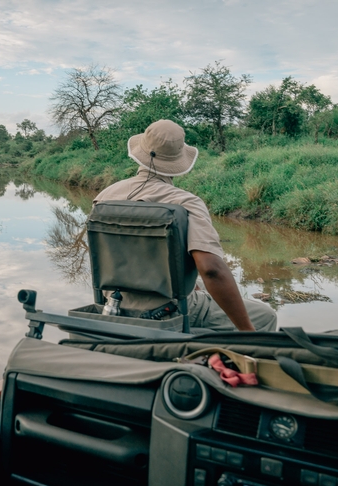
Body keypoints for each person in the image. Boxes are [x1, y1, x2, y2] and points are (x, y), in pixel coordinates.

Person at [93, 119, 277, 332]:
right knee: (265, 315)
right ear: (177, 161)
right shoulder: (186, 202)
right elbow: (211, 270)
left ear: (140, 152)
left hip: (114, 306)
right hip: (169, 310)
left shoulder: (104, 197)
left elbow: (103, 256)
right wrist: (248, 332)